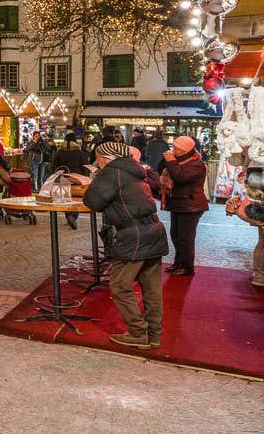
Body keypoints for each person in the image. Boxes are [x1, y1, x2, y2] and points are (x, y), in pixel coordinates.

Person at [82, 140, 168, 349]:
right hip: (153, 231)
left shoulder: (112, 172)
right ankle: (154, 334)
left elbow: (92, 201)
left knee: (120, 286)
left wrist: (95, 178)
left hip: (133, 235)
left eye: (98, 158)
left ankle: (138, 332)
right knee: (151, 288)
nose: (97, 162)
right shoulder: (134, 170)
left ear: (105, 159)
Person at [160, 134, 208, 277]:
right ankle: (178, 264)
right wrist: (168, 160)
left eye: (176, 148)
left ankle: (187, 268)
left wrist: (171, 161)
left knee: (185, 238)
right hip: (179, 204)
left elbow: (180, 178)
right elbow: (163, 170)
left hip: (191, 205)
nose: (173, 150)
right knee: (175, 235)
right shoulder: (178, 161)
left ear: (185, 150)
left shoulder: (197, 164)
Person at [51, 136, 89, 229]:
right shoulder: (79, 152)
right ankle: (73, 215)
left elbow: (53, 166)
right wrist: (85, 177)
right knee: (75, 198)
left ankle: (69, 215)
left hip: (63, 178)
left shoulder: (60, 152)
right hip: (77, 178)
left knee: (65, 198)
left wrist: (55, 175)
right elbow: (85, 165)